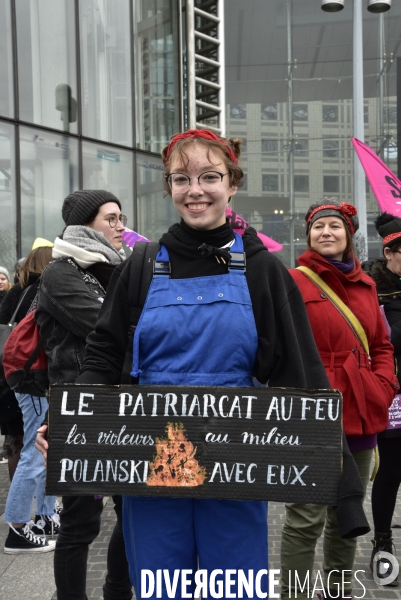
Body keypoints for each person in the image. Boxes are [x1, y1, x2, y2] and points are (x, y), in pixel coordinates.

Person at [55, 130, 369, 600]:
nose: (194, 189)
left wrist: (343, 486)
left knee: (235, 590)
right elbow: (104, 351)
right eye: (181, 179)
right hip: (151, 462)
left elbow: (302, 372)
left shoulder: (262, 270)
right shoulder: (140, 265)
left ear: (232, 183)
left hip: (235, 462)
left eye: (209, 176)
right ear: (169, 187)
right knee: (162, 589)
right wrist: (75, 421)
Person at [281, 198, 399, 600]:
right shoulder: (294, 281)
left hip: (364, 410)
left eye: (334, 226)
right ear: (309, 235)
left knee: (348, 510)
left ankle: (337, 591)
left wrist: (383, 386)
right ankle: (294, 595)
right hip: (314, 411)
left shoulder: (367, 285)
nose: (326, 232)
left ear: (349, 234)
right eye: (318, 227)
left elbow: (381, 345)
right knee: (305, 517)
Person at [34, 190, 133, 600]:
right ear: (83, 225)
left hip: (127, 408)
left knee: (131, 514)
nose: (120, 226)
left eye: (121, 217)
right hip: (80, 411)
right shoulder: (60, 273)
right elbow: (104, 327)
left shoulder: (122, 268)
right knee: (80, 524)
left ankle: (116, 592)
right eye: (111, 219)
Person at [3, 241, 57, 554]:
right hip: (32, 377)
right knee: (33, 451)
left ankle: (46, 516)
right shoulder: (37, 291)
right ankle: (18, 528)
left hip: (30, 376)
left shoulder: (26, 290)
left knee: (42, 448)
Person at [362, 212, 401, 586]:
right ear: (390, 252)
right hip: (393, 394)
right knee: (390, 472)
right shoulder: (374, 288)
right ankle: (383, 543)